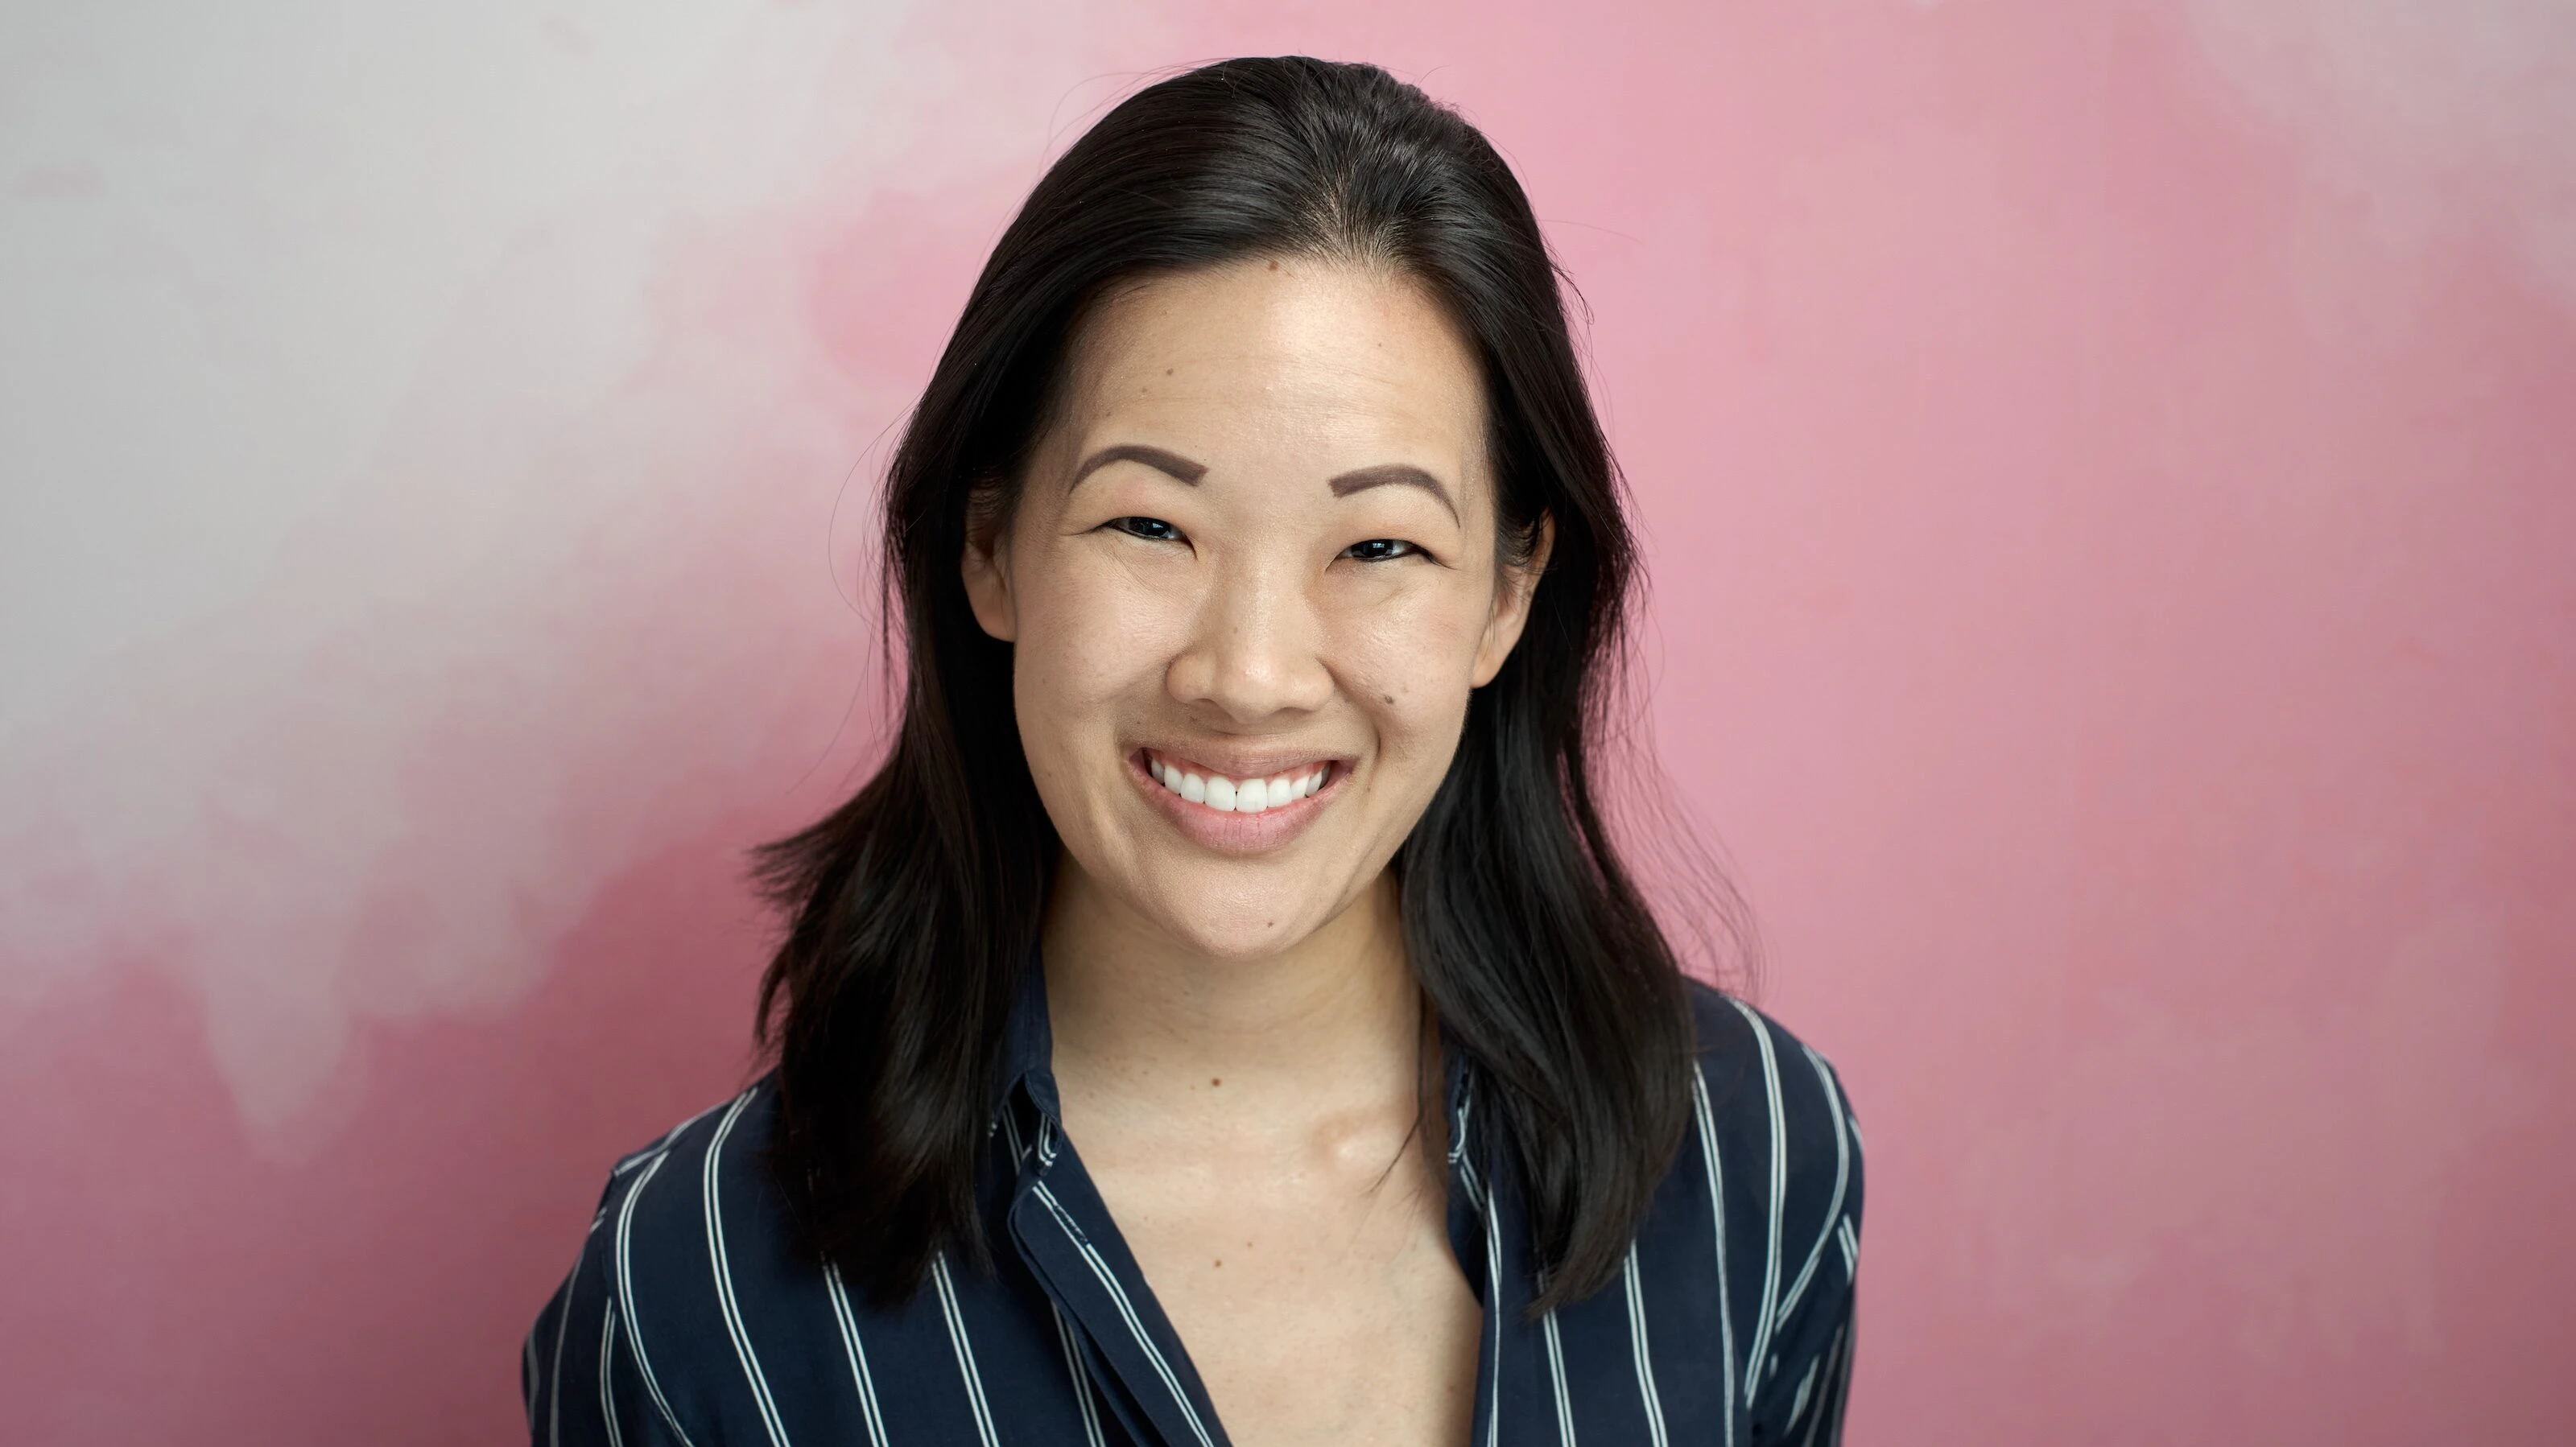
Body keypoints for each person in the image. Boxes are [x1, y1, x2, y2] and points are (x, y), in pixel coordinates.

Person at [525, 56, 1860, 1447]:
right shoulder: (695, 1297)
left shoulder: (1759, 1155)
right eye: (1151, 525)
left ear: (1507, 595)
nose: (1249, 674)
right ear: (991, 546)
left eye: (1380, 545)